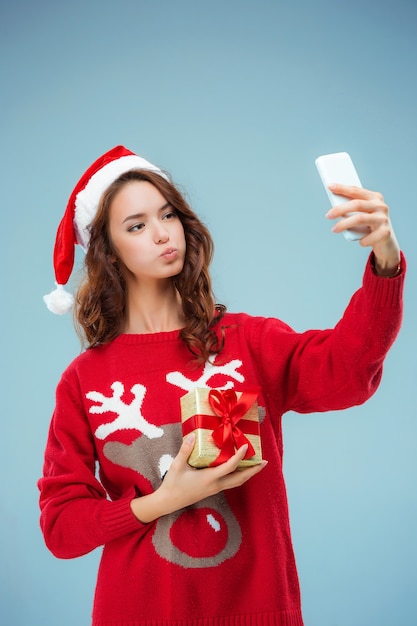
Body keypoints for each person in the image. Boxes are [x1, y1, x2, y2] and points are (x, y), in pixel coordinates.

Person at [39, 145, 405, 626]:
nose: (162, 232)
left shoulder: (249, 342)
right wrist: (162, 502)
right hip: (138, 611)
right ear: (109, 252)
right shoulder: (84, 380)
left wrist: (386, 258)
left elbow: (348, 369)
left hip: (257, 609)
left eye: (167, 213)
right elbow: (62, 527)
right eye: (137, 225)